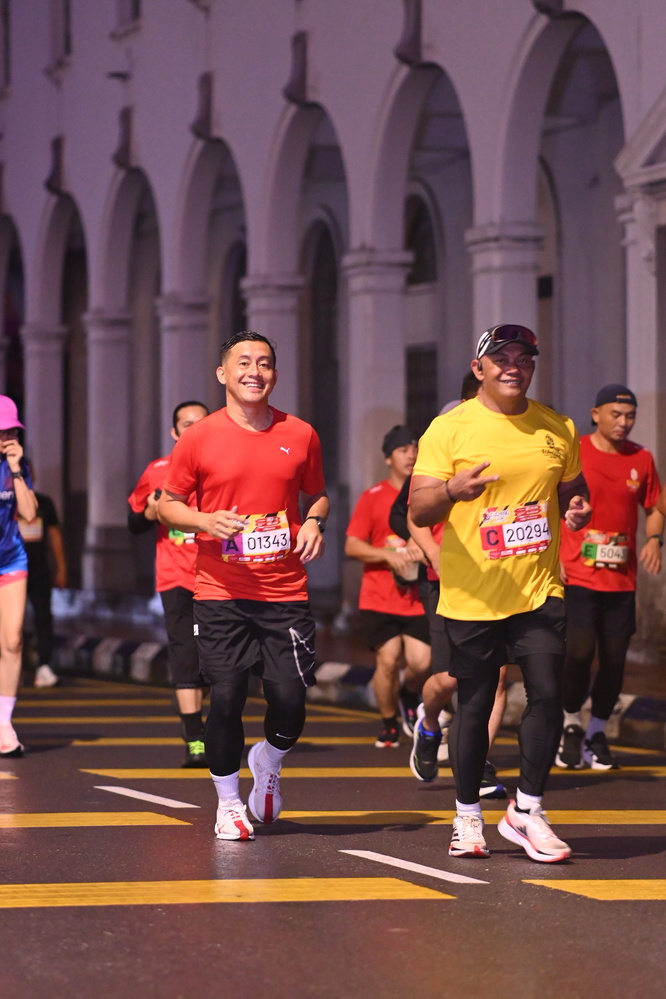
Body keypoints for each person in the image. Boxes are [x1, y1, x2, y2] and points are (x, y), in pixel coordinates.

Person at [410, 324, 592, 863]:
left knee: (548, 693)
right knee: (475, 702)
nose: (514, 366)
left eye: (524, 359)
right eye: (502, 358)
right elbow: (418, 508)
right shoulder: (450, 428)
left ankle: (526, 810)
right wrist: (452, 489)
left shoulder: (557, 426)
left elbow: (572, 489)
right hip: (473, 592)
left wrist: (578, 508)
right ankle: (467, 815)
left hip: (539, 587)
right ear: (479, 368)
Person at [158, 332, 328, 841]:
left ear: (275, 374)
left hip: (284, 590)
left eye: (265, 363)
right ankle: (229, 802)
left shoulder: (300, 433)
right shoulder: (199, 437)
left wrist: (314, 522)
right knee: (227, 696)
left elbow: (316, 495)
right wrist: (205, 521)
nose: (255, 372)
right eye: (244, 363)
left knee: (290, 700)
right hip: (220, 589)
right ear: (223, 374)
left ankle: (269, 759)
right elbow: (167, 506)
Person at [389, 372, 507, 797]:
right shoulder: (444, 438)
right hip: (446, 580)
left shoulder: (514, 440)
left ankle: (477, 762)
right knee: (448, 677)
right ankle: (428, 721)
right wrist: (430, 550)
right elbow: (405, 514)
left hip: (499, 577)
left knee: (496, 678)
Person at [556, 384, 662, 771]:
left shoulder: (642, 458)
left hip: (622, 579)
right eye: (616, 414)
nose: (623, 422)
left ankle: (596, 732)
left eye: (630, 416)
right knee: (579, 653)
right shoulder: (575, 451)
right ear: (595, 414)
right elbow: (546, 502)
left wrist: (654, 540)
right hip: (577, 573)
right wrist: (553, 555)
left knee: (615, 660)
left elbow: (655, 506)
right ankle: (570, 724)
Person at [128, 400, 210, 767]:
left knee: (218, 658)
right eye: (187, 424)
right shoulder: (157, 470)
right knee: (184, 653)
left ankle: (204, 719)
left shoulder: (225, 466)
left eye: (201, 423)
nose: (194, 429)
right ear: (175, 433)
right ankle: (195, 739)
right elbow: (135, 522)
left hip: (221, 576)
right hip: (176, 576)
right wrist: (150, 510)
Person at [345, 426, 430, 748]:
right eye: (403, 450)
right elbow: (352, 545)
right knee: (389, 659)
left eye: (415, 449)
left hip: (417, 597)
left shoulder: (427, 495)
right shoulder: (373, 497)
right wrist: (388, 555)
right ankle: (389, 722)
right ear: (388, 458)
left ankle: (408, 694)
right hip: (379, 596)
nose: (411, 455)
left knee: (421, 663)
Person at [0, 396, 37, 757]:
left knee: (12, 641)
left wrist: (15, 470)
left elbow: (28, 513)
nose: (6, 437)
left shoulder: (19, 464)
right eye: (1, 432)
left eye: (11, 430)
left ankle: (4, 724)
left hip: (11, 558)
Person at [18, 479, 68, 687]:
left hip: (39, 572)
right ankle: (13, 669)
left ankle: (44, 666)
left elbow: (54, 535)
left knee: (43, 618)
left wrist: (61, 568)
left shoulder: (44, 503)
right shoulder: (5, 502)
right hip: (12, 573)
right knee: (11, 623)